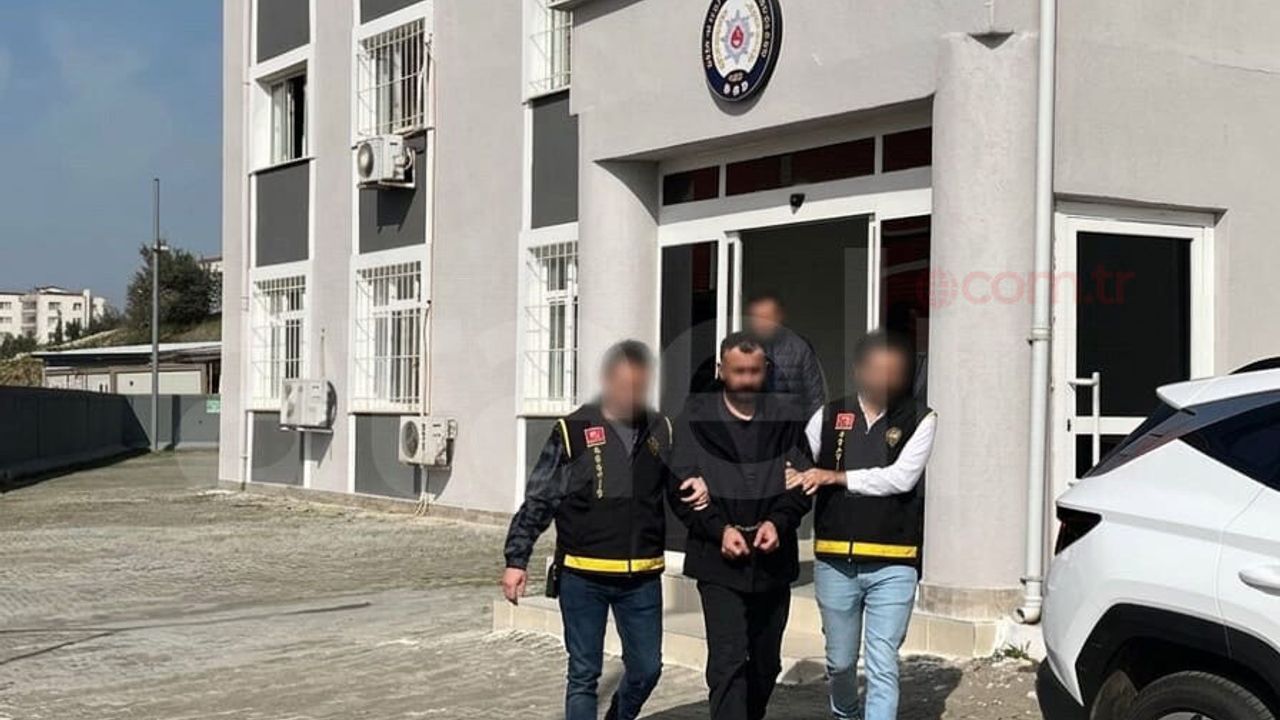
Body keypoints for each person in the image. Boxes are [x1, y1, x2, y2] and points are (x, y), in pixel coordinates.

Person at [501, 340, 710, 720]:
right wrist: (517, 559)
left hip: (642, 577)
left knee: (647, 668)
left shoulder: (661, 428)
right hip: (583, 576)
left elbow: (679, 490)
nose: (633, 394)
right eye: (626, 385)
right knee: (584, 674)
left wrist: (698, 493)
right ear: (609, 381)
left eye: (640, 386)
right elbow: (540, 498)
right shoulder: (573, 430)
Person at [789, 331, 937, 720]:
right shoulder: (827, 416)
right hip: (835, 559)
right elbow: (800, 467)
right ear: (858, 370)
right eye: (876, 370)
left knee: (882, 661)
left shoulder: (920, 418)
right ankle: (846, 713)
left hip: (894, 561)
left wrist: (835, 477)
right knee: (839, 662)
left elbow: (901, 479)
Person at [669, 331, 814, 720]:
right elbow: (680, 488)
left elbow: (803, 483)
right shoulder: (695, 420)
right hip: (717, 560)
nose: (747, 380)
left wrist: (778, 522)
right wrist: (719, 529)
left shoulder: (785, 419)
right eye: (738, 372)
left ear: (765, 369)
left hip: (773, 560)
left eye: (754, 371)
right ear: (721, 370)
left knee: (766, 664)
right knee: (728, 660)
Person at [744, 293, 828, 416]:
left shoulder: (800, 348)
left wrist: (814, 426)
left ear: (780, 316)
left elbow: (815, 398)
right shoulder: (740, 348)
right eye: (757, 318)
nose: (762, 323)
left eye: (767, 317)